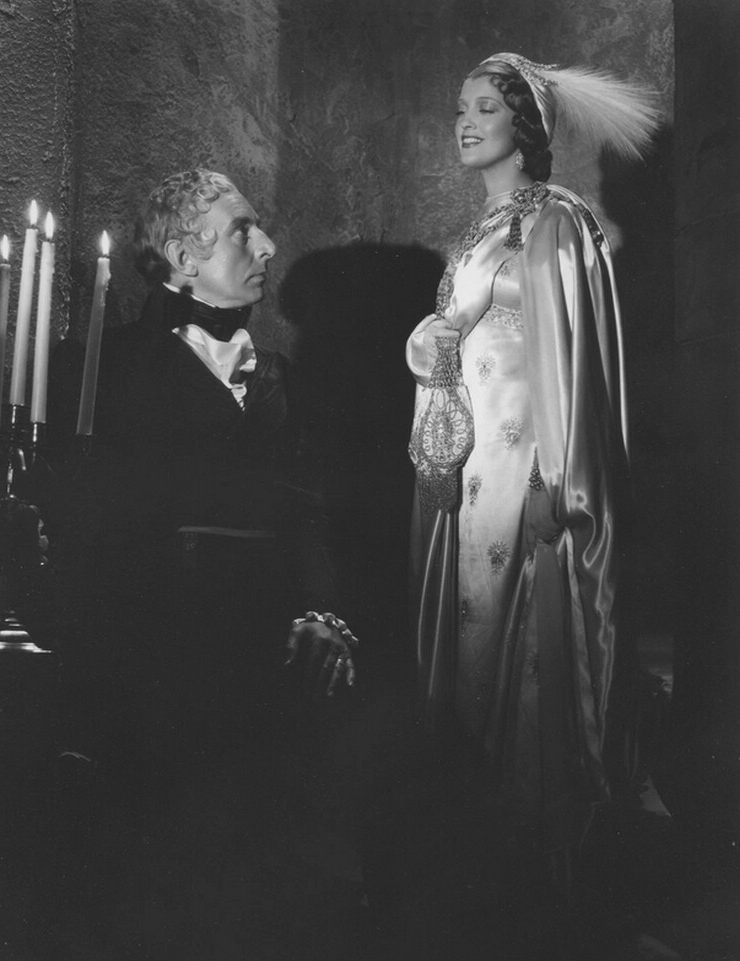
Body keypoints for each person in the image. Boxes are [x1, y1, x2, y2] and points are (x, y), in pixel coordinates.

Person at [54, 169, 363, 960]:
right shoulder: (105, 365)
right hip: (165, 664)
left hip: (274, 657)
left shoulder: (283, 377)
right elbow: (95, 534)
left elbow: (312, 514)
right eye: (241, 230)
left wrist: (322, 611)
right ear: (183, 258)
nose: (267, 246)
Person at [405, 52, 659, 887]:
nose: (466, 122)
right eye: (460, 107)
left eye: (486, 107)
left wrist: (557, 476)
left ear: (525, 124)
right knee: (470, 631)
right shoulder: (472, 235)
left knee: (523, 631)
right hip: (467, 464)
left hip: (527, 465)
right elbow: (459, 342)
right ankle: (472, 835)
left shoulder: (557, 221)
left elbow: (570, 359)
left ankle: (529, 839)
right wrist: (426, 342)